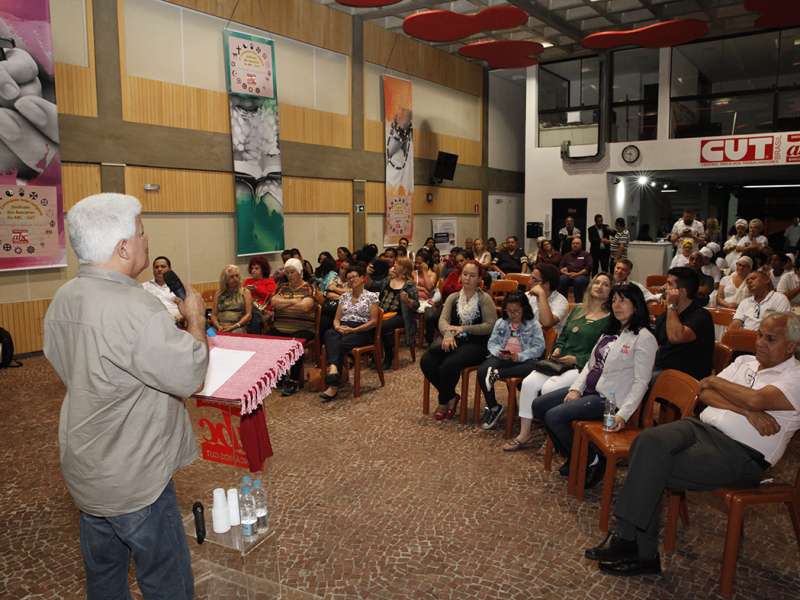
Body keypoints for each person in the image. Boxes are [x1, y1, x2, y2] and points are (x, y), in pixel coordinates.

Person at [44, 193, 208, 599]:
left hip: (89, 470)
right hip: (136, 477)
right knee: (165, 579)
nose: (146, 239)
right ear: (122, 247)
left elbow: (68, 366)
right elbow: (190, 373)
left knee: (105, 578)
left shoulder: (65, 298)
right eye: (140, 231)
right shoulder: (135, 307)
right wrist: (197, 321)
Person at [585, 312, 800, 577]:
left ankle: (632, 544)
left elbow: (755, 399)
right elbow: (705, 392)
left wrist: (717, 382)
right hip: (701, 427)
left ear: (791, 346)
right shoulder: (744, 361)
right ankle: (633, 547)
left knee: (652, 465)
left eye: (770, 338)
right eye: (759, 335)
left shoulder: (795, 378)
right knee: (647, 441)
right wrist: (743, 409)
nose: (760, 343)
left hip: (739, 453)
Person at [531, 284, 657, 481]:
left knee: (554, 416)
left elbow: (641, 382)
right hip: (590, 390)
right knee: (539, 405)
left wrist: (623, 415)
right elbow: (590, 366)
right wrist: (575, 389)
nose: (617, 305)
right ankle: (577, 456)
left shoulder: (643, 338)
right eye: (614, 300)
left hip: (609, 400)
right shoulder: (611, 331)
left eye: (623, 301)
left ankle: (592, 459)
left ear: (637, 305)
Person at [504, 273, 612, 451]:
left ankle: (552, 436)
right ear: (590, 286)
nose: (600, 286)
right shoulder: (578, 310)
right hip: (560, 362)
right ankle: (524, 434)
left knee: (549, 388)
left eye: (606, 284)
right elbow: (563, 336)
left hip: (582, 366)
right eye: (597, 282)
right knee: (529, 383)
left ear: (610, 292)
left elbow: (604, 352)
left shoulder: (609, 319)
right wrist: (557, 348)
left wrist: (577, 358)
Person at [420, 260, 497, 420]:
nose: (468, 278)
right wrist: (448, 334)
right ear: (460, 277)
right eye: (465, 274)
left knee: (449, 364)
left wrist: (464, 328)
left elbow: (490, 326)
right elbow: (442, 321)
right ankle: (451, 397)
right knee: (427, 360)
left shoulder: (484, 299)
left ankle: (443, 401)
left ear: (479, 279)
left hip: (477, 343)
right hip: (454, 339)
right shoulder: (453, 298)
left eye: (472, 275)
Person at [477, 292, 545, 430]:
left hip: (523, 360)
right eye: (509, 311)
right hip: (503, 358)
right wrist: (499, 352)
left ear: (524, 309)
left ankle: (497, 374)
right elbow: (492, 343)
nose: (512, 314)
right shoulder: (501, 322)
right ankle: (493, 407)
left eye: (516, 311)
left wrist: (519, 356)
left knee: (534, 366)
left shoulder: (533, 325)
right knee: (482, 371)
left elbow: (539, 348)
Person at [319, 264, 380, 401]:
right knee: (329, 333)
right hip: (344, 328)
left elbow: (374, 321)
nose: (351, 280)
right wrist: (338, 327)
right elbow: (336, 319)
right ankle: (334, 368)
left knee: (339, 343)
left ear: (363, 278)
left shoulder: (371, 296)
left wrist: (354, 329)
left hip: (362, 330)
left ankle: (333, 384)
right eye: (349, 278)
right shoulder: (344, 297)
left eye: (354, 277)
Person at [653, 267, 714, 381]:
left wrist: (671, 305)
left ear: (682, 292)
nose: (664, 288)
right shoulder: (665, 316)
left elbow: (676, 337)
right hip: (662, 370)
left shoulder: (701, 316)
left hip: (685, 378)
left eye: (669, 284)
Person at [269, 257, 315, 395]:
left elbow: (305, 306)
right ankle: (281, 376)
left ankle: (294, 380)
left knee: (295, 344)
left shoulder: (308, 287)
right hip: (281, 327)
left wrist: (284, 303)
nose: (289, 275)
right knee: (268, 340)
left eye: (292, 272)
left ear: (300, 272)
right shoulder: (283, 288)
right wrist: (295, 300)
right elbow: (274, 302)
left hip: (303, 328)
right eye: (287, 273)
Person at [378, 257, 419, 369]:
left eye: (398, 264)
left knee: (383, 326)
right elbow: (373, 287)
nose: (394, 265)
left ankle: (389, 356)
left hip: (401, 316)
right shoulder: (388, 280)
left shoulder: (409, 285)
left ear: (405, 269)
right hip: (382, 313)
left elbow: (416, 306)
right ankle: (374, 353)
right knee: (371, 322)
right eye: (395, 263)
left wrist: (407, 300)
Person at [210, 265, 253, 334]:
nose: (235, 279)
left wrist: (234, 326)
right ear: (225, 279)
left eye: (237, 276)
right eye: (231, 277)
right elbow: (213, 315)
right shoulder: (218, 293)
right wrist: (218, 326)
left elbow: (248, 315)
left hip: (238, 326)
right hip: (219, 326)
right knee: (208, 333)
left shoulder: (245, 292)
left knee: (235, 333)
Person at [526, 264, 570, 330]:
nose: (529, 282)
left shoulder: (561, 302)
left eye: (534, 279)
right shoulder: (527, 295)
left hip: (549, 339)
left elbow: (546, 323)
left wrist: (541, 294)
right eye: (530, 277)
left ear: (547, 284)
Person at [141, 255, 182, 321]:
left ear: (170, 269)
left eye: (163, 266)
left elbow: (187, 308)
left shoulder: (178, 288)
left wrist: (182, 316)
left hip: (177, 323)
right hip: (154, 323)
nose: (159, 269)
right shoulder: (143, 287)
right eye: (156, 267)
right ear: (153, 270)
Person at [243, 255, 276, 334]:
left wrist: (256, 289)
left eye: (256, 268)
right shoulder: (248, 281)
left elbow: (270, 296)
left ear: (263, 270)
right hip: (248, 308)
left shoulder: (269, 281)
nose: (253, 270)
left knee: (255, 314)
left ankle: (255, 337)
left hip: (263, 310)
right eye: (252, 268)